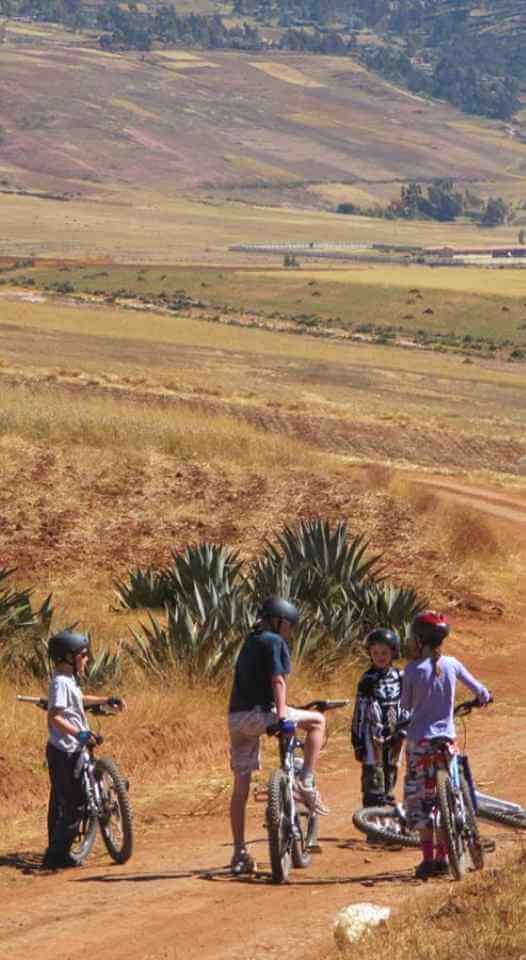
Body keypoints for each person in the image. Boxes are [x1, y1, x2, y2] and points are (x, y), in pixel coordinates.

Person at [228, 596, 328, 876]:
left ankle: (239, 852)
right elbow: (278, 680)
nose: (290, 631)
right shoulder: (274, 642)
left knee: (240, 789)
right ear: (280, 621)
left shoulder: (249, 641)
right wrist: (283, 716)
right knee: (317, 721)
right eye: (289, 626)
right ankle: (306, 778)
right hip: (263, 714)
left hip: (236, 719)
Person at [401, 611, 490, 880]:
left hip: (420, 742)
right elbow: (481, 691)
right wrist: (482, 699)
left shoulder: (412, 670)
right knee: (450, 791)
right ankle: (445, 852)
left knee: (420, 799)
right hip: (446, 740)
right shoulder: (453, 664)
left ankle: (428, 859)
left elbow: (405, 705)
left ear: (418, 640)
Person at [44, 630, 126, 870]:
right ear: (68, 657)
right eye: (83, 655)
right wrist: (76, 732)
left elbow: (81, 699)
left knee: (77, 800)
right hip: (65, 751)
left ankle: (61, 849)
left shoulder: (68, 682)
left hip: (74, 749)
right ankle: (55, 856)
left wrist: (104, 700)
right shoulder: (60, 683)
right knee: (75, 805)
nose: (87, 659)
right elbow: (54, 716)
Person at [351, 627, 409, 809]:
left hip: (396, 728)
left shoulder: (400, 676)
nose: (380, 656)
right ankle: (372, 819)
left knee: (391, 768)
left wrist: (405, 727)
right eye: (375, 653)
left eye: (384, 652)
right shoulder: (367, 679)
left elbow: (407, 703)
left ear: (394, 652)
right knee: (373, 773)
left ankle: (388, 816)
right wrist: (357, 740)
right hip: (372, 734)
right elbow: (359, 710)